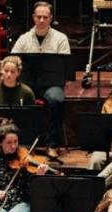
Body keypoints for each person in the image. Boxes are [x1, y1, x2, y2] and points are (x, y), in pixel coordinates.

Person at [11, 1, 71, 159]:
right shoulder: (23, 39)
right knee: (17, 100)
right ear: (33, 18)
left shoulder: (61, 39)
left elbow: (65, 68)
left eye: (45, 17)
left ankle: (52, 144)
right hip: (27, 85)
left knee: (57, 100)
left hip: (51, 84)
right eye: (39, 17)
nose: (42, 20)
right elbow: (11, 62)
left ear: (51, 18)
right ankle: (21, 143)